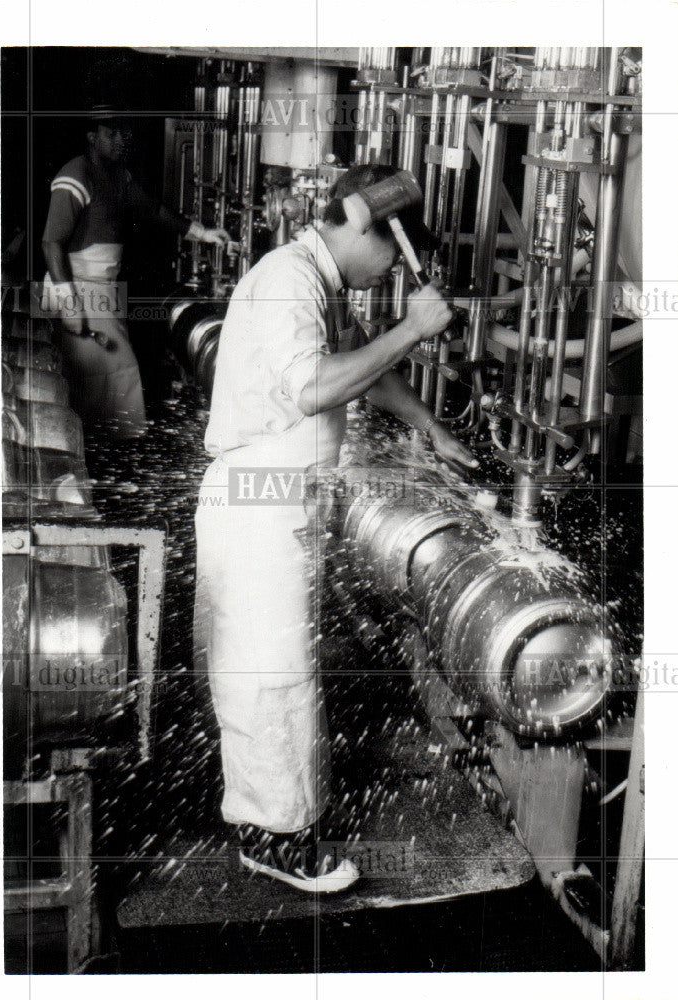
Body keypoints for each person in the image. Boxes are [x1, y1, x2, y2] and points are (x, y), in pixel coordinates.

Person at [193, 164, 478, 894]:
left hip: (283, 500)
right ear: (358, 220)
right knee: (270, 674)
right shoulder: (289, 278)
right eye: (391, 250)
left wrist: (429, 426)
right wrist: (412, 328)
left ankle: (279, 816)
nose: (390, 269)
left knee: (281, 668)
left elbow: (362, 368)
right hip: (258, 502)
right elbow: (315, 384)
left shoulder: (317, 281)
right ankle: (273, 837)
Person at [41, 106, 229, 438]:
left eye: (122, 133)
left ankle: (109, 456)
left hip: (103, 290)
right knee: (103, 378)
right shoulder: (75, 175)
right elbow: (51, 243)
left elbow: (153, 210)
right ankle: (100, 461)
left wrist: (202, 233)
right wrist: (69, 303)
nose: (120, 140)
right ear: (92, 137)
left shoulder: (118, 176)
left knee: (110, 381)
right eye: (111, 134)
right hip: (78, 289)